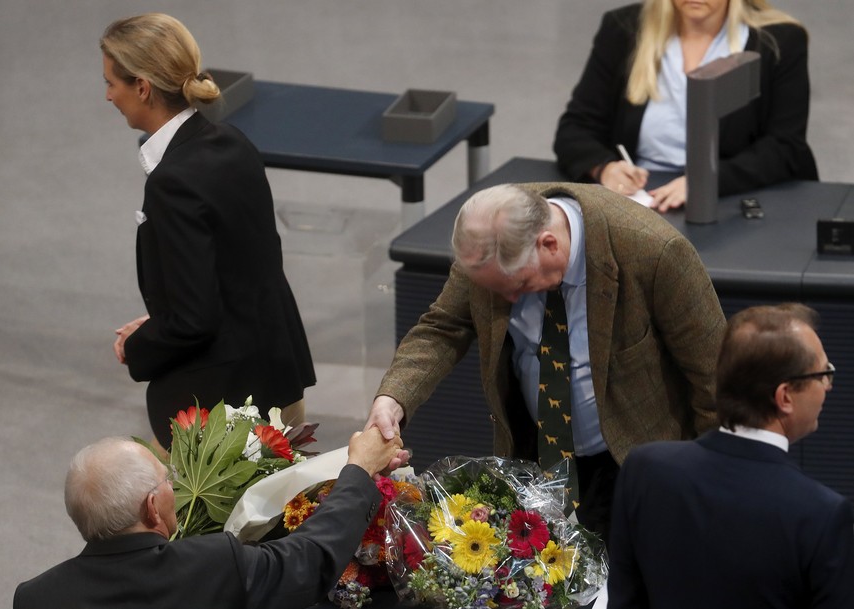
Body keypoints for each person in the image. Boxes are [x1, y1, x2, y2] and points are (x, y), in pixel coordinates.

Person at [365, 182, 726, 543]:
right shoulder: (488, 241)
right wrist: (393, 398)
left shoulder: (655, 251)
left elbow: (717, 377)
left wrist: (710, 481)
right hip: (535, 457)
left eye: (518, 285)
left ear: (549, 244)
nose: (507, 299)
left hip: (638, 462)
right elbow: (442, 327)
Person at [101, 13, 315, 448]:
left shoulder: (171, 182)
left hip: (223, 425)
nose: (108, 96)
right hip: (279, 392)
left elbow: (194, 321)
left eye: (112, 83)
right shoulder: (233, 143)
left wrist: (141, 344)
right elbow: (240, 274)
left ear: (142, 87)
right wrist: (160, 318)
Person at [608, 303, 854, 608]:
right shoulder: (821, 515)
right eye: (823, 374)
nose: (828, 386)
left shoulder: (644, 470)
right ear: (785, 397)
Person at [13, 428, 408, 609]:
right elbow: (309, 559)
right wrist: (358, 468)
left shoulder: (34, 598)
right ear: (152, 508)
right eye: (168, 480)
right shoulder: (213, 563)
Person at [553, 0, 818, 212]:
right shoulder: (623, 28)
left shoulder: (780, 40)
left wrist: (704, 182)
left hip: (735, 198)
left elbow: (785, 146)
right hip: (645, 199)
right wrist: (605, 167)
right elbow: (575, 128)